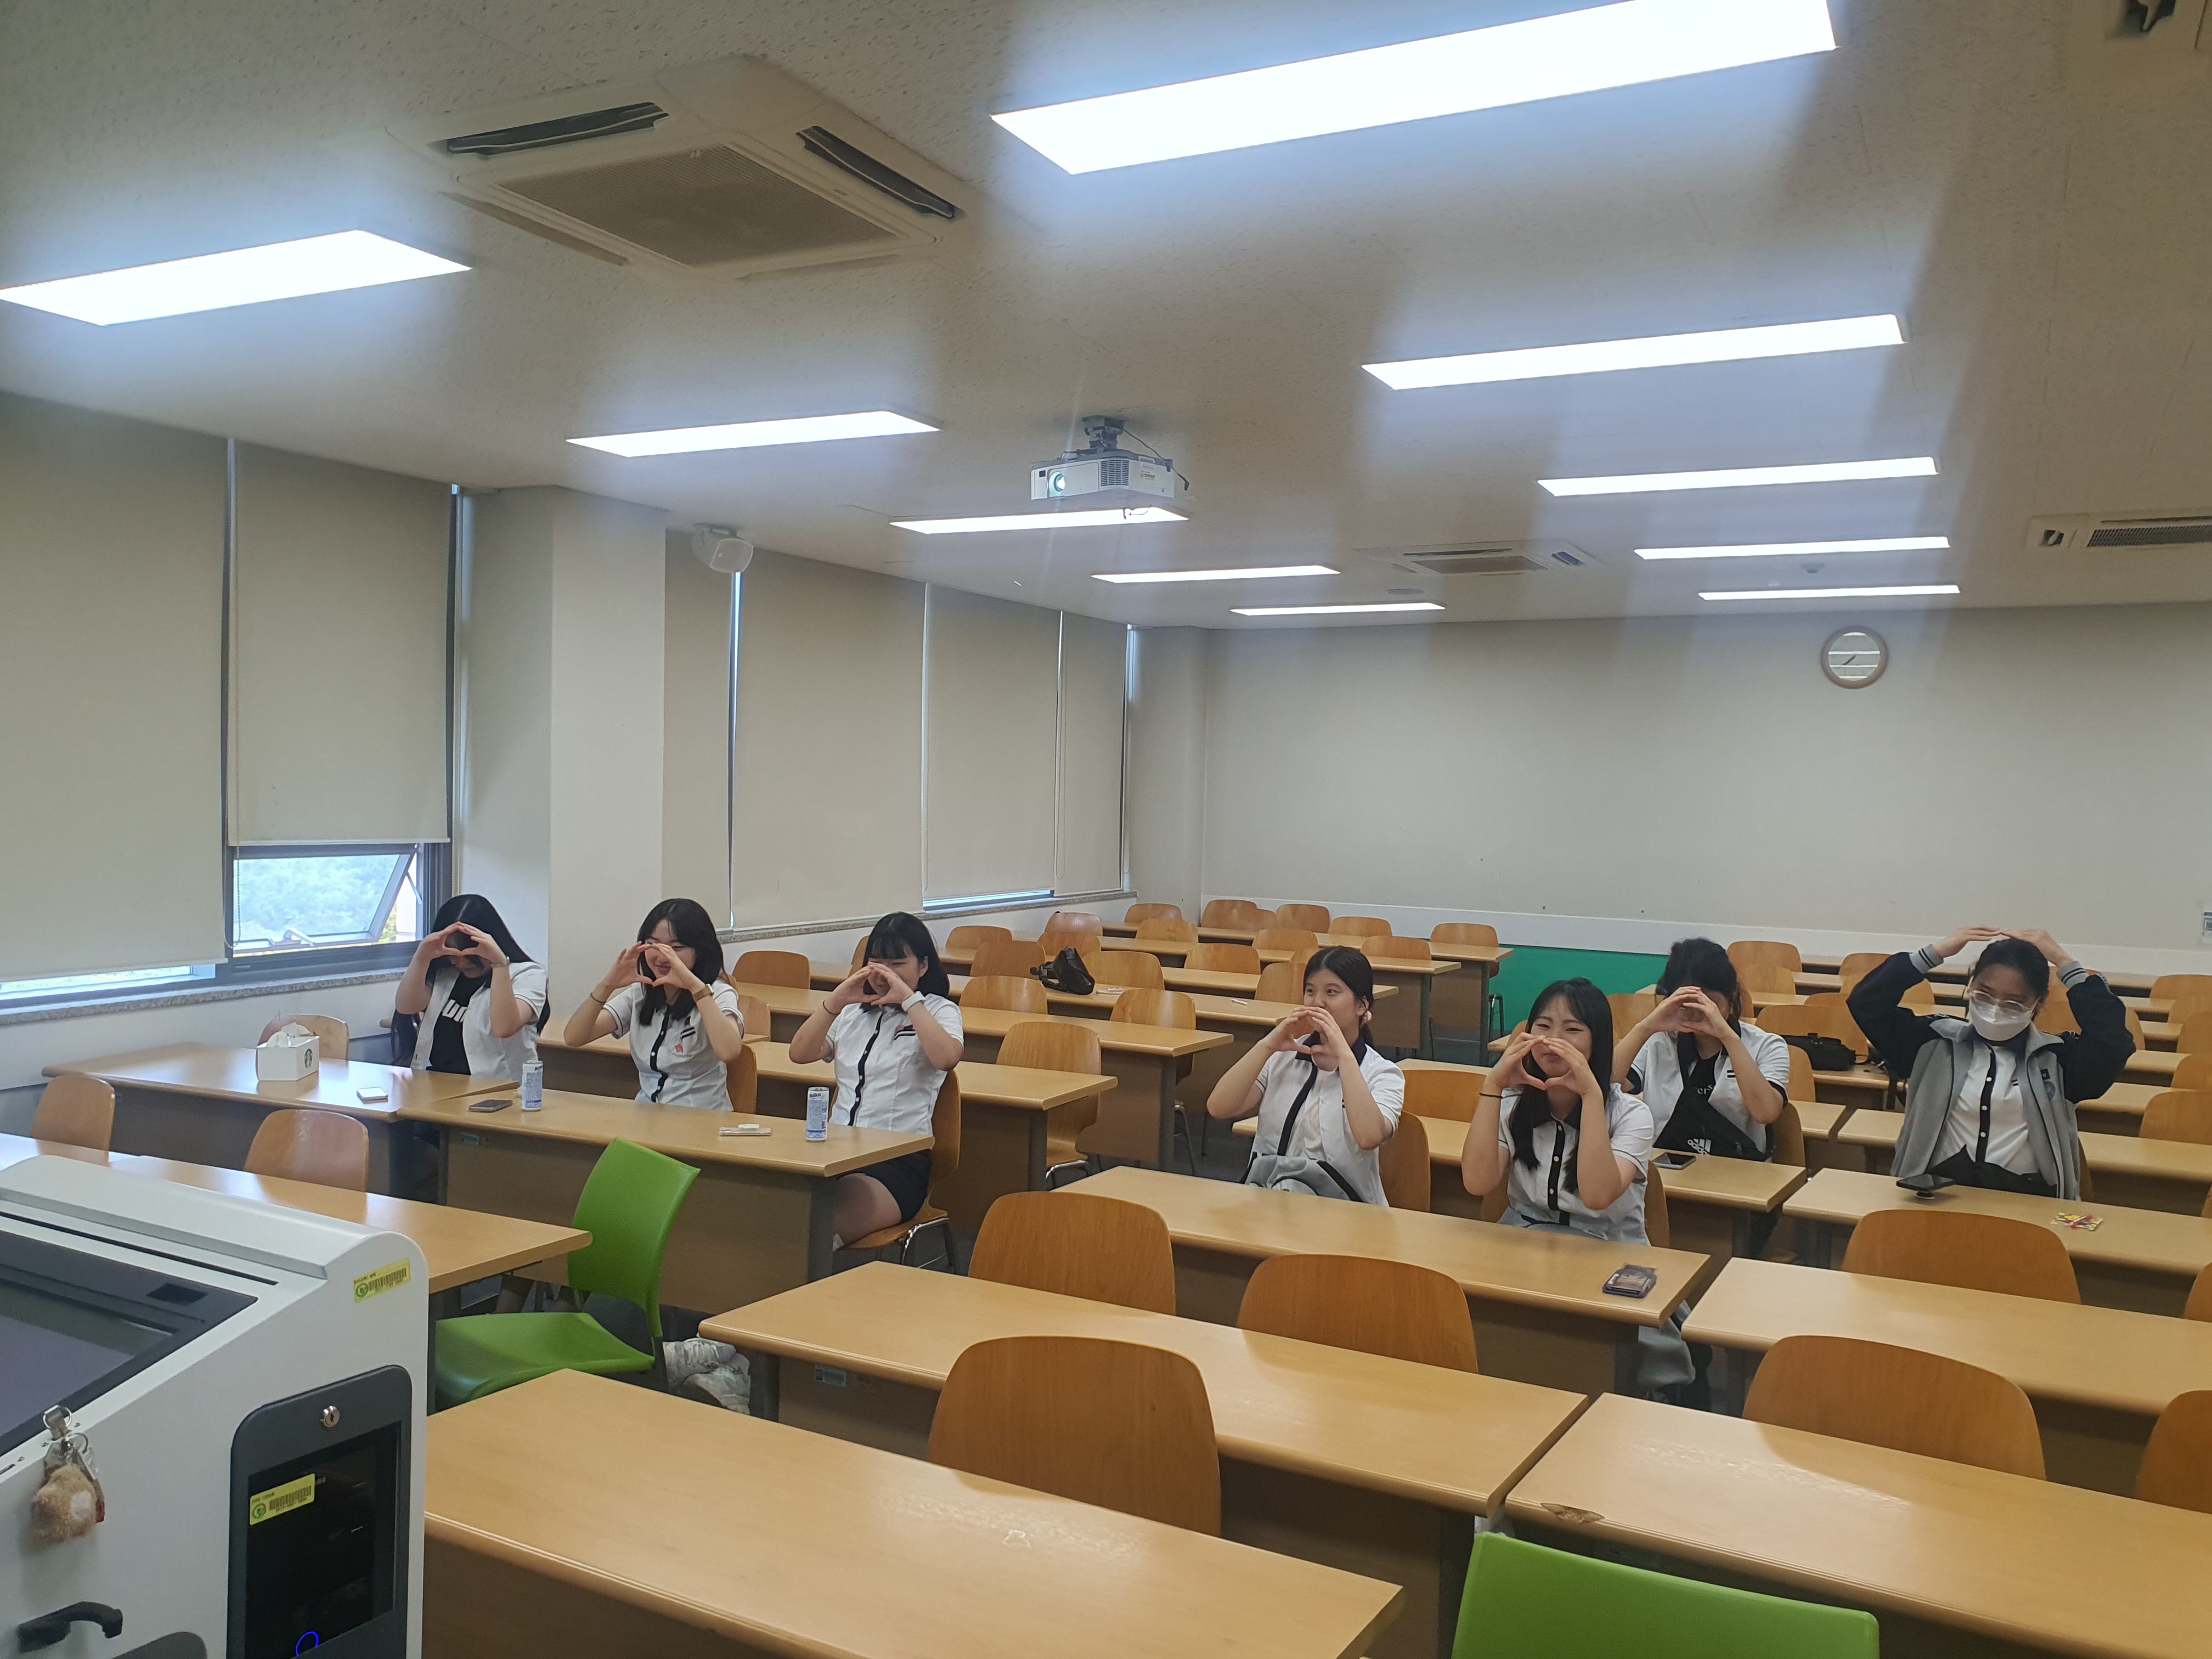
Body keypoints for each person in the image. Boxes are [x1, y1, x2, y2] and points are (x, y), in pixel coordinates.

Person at [1461, 978, 1691, 1394]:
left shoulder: (1630, 1115)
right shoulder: (1513, 1103)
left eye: (1572, 1029)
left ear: (1596, 1042)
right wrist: (1493, 1086)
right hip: (1523, 1246)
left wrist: (1591, 1096)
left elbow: (1597, 1196)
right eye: (1543, 1026)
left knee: (1635, 1358)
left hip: (1608, 1251)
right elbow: (1477, 1182)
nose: (1554, 1040)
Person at [1848, 927, 2132, 1198]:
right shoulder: (1932, 1043)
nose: (1995, 1010)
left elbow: (2113, 1042)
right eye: (1984, 994)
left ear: (2037, 1003)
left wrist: (2064, 962)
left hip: (2028, 1201)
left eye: (2014, 1003)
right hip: (1934, 1194)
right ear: (1970, 985)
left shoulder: (2059, 1060)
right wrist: (1937, 952)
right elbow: (1867, 1003)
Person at [786, 911, 963, 1243]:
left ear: (923, 966)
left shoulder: (939, 1010)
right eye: (877, 963)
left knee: (814, 1232)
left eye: (897, 964)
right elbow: (800, 1053)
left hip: (895, 1163)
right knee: (775, 1210)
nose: (885, 974)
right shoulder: (853, 1013)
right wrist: (835, 1001)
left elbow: (946, 1058)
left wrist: (909, 1001)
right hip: (835, 1152)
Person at [1207, 946, 1404, 1204]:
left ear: (1361, 1005)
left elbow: (1369, 1137)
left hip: (1347, 1210)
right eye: (1310, 991)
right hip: (1271, 1200)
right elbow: (1219, 1107)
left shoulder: (1383, 1072)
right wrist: (1266, 1046)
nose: (1317, 1002)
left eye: (1331, 992)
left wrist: (1344, 1056)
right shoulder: (1284, 1056)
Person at [561, 898, 747, 1109]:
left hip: (701, 1117)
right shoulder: (642, 992)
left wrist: (696, 988)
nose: (662, 956)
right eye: (652, 944)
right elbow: (574, 1037)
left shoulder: (718, 993)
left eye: (676, 948)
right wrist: (607, 985)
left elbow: (729, 1052)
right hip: (647, 1114)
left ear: (701, 950)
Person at [1613, 938, 1789, 1160]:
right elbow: (1608, 1083)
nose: (1699, 1013)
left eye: (1709, 1003)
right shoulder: (1659, 1042)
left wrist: (1728, 1037)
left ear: (1732, 995)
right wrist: (1646, 1027)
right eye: (1688, 1004)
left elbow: (1766, 1113)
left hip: (1739, 1168)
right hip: (1668, 1164)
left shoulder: (1767, 1045)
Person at [394, 894, 547, 1082]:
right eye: (453, 954)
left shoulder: (528, 974)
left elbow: (504, 1028)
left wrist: (499, 963)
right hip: (437, 1082)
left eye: (470, 954)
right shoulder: (446, 973)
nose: (461, 962)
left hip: (497, 1085)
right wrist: (422, 957)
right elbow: (406, 1006)